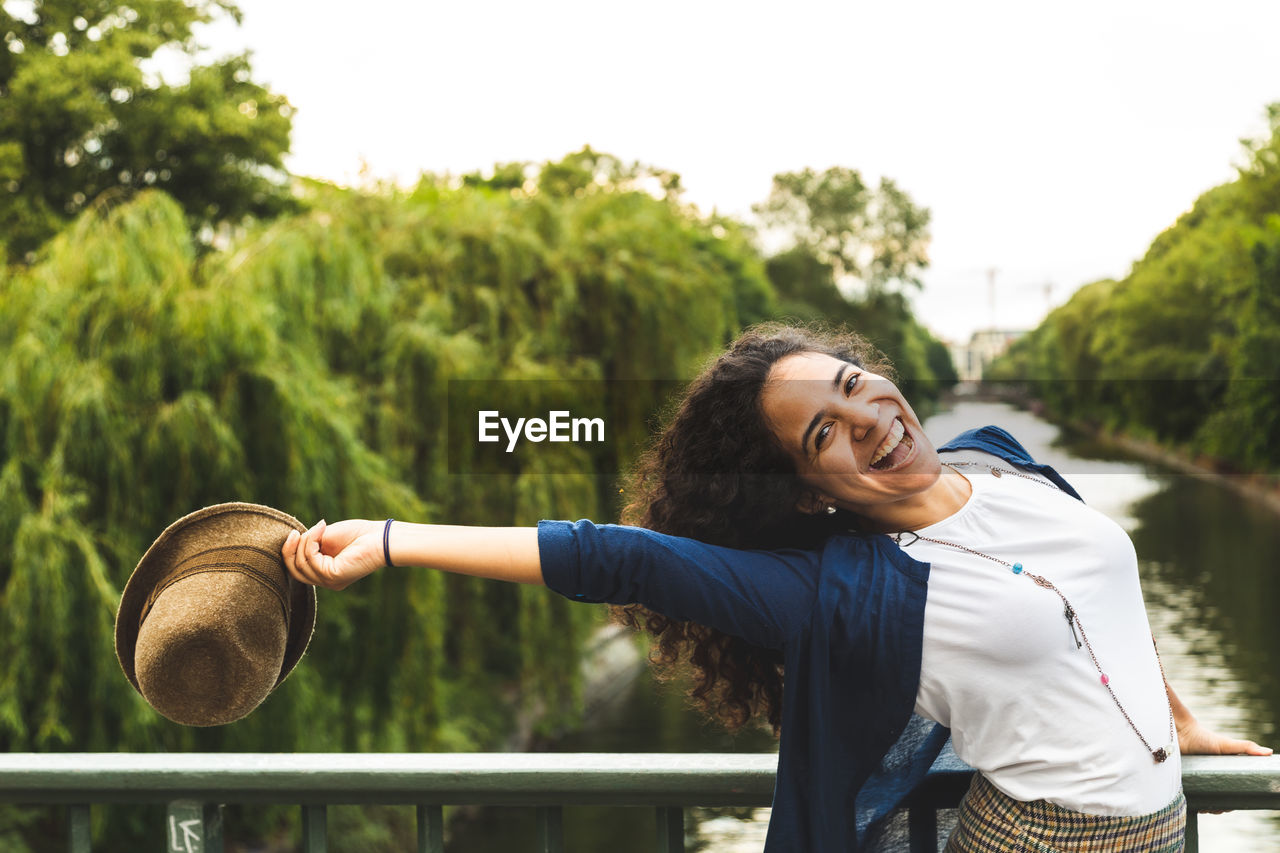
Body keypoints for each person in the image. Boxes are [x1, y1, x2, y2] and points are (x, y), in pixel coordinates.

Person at [282, 324, 1270, 852]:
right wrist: (388, 538)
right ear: (800, 495)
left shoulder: (998, 457)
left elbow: (1091, 596)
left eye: (849, 384)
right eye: (820, 435)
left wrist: (1171, 719)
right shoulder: (835, 592)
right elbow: (616, 556)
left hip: (1162, 822)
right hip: (1039, 842)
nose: (867, 418)